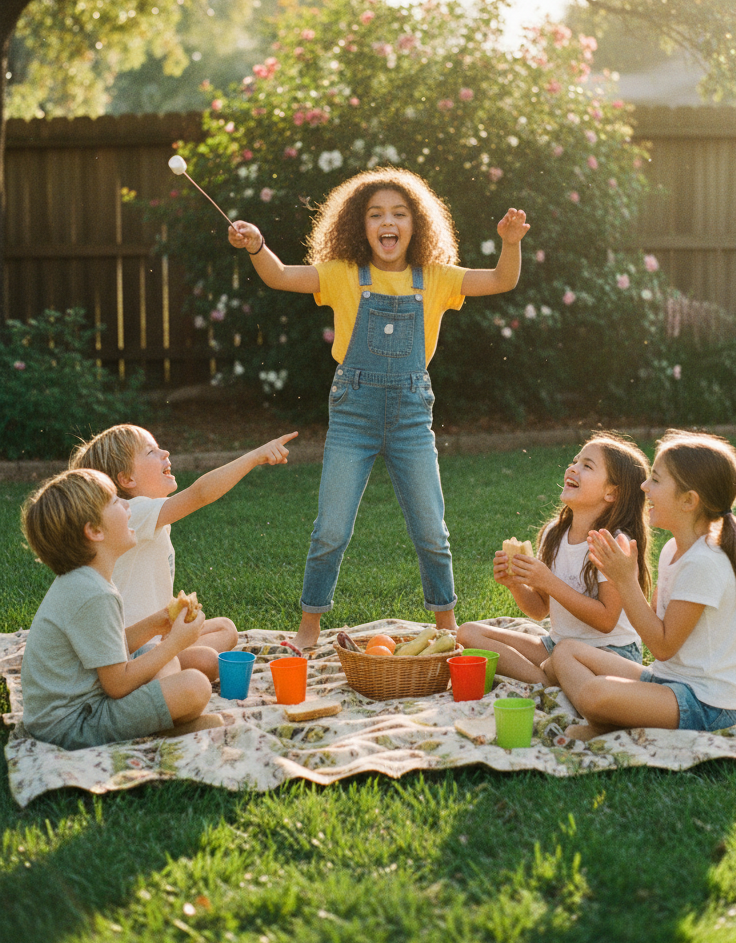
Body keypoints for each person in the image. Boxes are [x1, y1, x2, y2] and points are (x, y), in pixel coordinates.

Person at [228, 167, 530, 648]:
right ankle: (309, 628)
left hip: (412, 417)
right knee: (330, 528)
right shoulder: (344, 275)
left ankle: (446, 628)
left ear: (417, 224)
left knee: (432, 529)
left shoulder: (435, 278)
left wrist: (510, 242)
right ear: (359, 225)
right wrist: (257, 246)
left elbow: (500, 280)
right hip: (354, 415)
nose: (387, 222)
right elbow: (281, 276)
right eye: (375, 214)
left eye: (398, 213)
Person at [551, 430, 736, 738]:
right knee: (566, 651)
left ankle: (602, 719)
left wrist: (624, 580)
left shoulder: (705, 562)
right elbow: (656, 627)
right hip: (666, 681)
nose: (644, 486)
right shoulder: (673, 550)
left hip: (705, 703)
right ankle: (607, 715)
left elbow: (661, 646)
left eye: (657, 481)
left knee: (595, 693)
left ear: (689, 501)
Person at [70, 425, 296, 677]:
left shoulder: (148, 518)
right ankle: (162, 669)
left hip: (154, 639)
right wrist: (255, 456)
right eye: (151, 452)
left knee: (226, 629)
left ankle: (169, 661)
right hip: (127, 649)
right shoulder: (132, 513)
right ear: (127, 479)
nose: (165, 453)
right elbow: (200, 494)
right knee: (209, 661)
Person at [20, 468, 221, 750]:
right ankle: (163, 732)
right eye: (115, 501)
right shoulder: (94, 593)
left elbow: (110, 650)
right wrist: (176, 642)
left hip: (81, 703)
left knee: (158, 657)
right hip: (73, 725)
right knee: (194, 686)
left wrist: (158, 622)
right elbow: (117, 683)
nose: (127, 505)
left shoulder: (86, 580)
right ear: (94, 531)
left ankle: (167, 723)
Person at [457, 433, 651, 685]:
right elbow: (539, 610)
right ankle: (548, 680)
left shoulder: (613, 544)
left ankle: (551, 676)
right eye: (575, 461)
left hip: (611, 653)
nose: (573, 468)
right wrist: (515, 584)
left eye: (587, 466)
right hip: (557, 645)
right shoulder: (553, 534)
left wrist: (549, 582)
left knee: (562, 655)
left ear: (612, 492)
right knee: (467, 633)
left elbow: (606, 621)